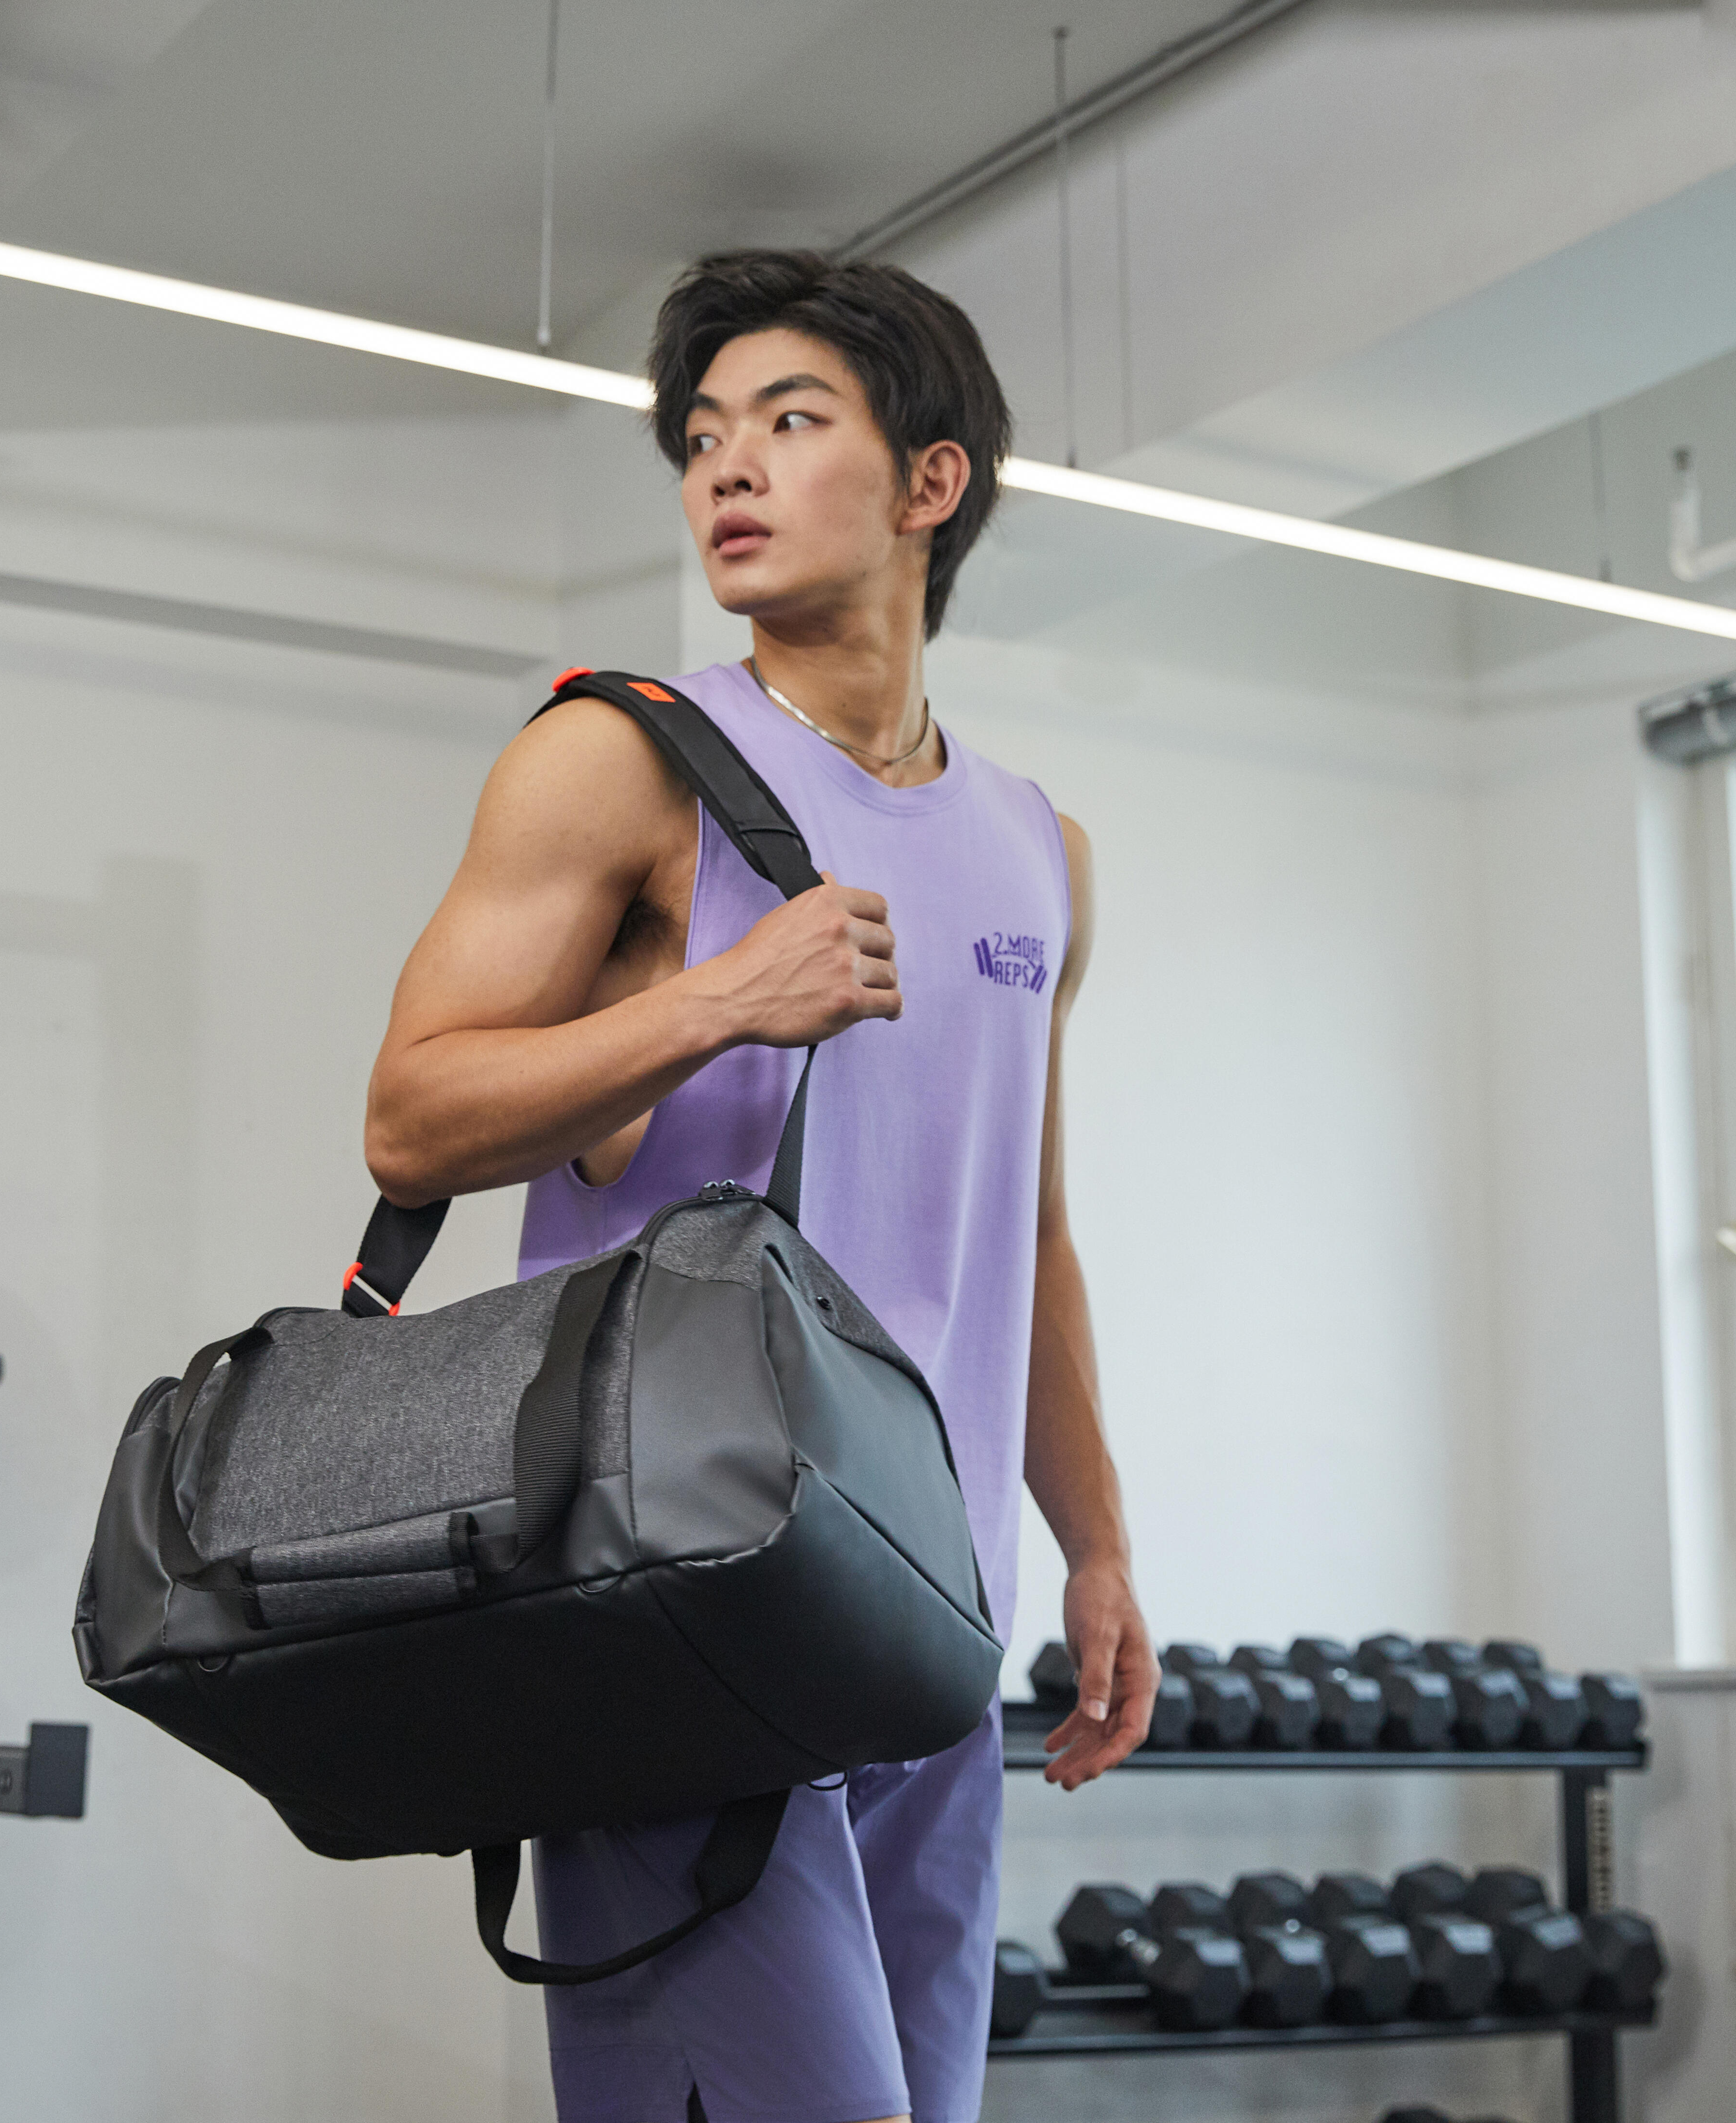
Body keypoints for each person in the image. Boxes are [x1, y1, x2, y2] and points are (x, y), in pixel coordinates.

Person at [364, 250, 1162, 2123]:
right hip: (681, 1593)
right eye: (704, 435)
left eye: (789, 422)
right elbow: (410, 1116)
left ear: (928, 480)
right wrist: (720, 999)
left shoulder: (1038, 851)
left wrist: (1097, 1543)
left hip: (933, 1617)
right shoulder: (616, 760)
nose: (724, 465)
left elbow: (1025, 1231)